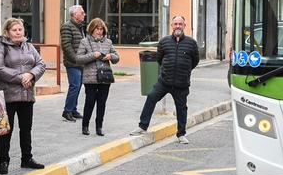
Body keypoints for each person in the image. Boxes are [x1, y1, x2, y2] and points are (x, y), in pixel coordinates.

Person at [0, 18, 47, 174]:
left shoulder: (29, 46)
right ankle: (4, 161)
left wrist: (31, 75)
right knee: (5, 130)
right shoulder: (1, 46)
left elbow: (41, 64)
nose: (18, 32)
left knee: (26, 128)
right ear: (7, 32)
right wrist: (21, 78)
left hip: (27, 94)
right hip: (7, 94)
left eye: (20, 29)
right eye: (14, 30)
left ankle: (27, 158)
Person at [133, 15, 200, 145]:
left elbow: (195, 61)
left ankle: (181, 134)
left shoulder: (191, 43)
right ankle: (142, 126)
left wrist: (184, 71)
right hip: (164, 81)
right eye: (175, 24)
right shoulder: (164, 42)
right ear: (172, 26)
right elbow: (160, 59)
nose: (178, 26)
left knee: (181, 108)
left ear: (184, 26)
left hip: (181, 83)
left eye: (180, 24)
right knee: (151, 97)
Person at [77, 17, 120, 136]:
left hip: (105, 77)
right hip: (90, 78)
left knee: (102, 103)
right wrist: (93, 55)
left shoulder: (108, 42)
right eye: (97, 29)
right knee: (90, 101)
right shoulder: (84, 42)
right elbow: (78, 59)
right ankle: (85, 125)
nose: (99, 31)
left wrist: (111, 56)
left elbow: (117, 58)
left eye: (101, 29)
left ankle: (99, 127)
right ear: (92, 29)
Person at [59, 4, 87, 122]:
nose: (84, 14)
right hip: (73, 63)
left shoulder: (79, 27)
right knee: (74, 86)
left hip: (81, 62)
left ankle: (73, 109)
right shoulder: (67, 27)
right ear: (75, 14)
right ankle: (67, 111)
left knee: (78, 86)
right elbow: (66, 46)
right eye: (82, 13)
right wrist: (76, 58)